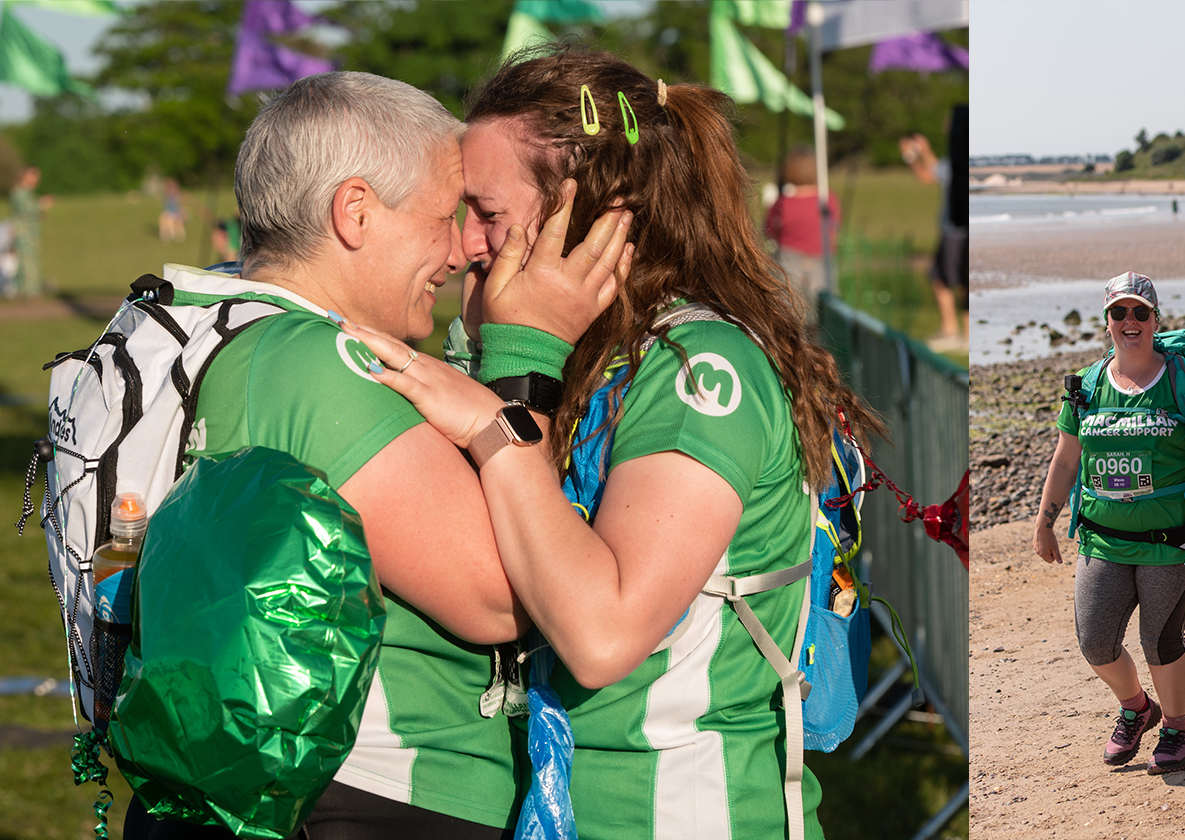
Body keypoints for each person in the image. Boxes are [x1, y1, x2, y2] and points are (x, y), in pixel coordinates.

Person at [347, 47, 872, 838]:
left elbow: (602, 634)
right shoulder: (576, 350)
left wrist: (510, 399)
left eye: (488, 212)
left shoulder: (699, 369)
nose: (465, 245)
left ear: (599, 205)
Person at [118, 70, 554, 840]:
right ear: (355, 212)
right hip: (375, 797)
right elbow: (512, 594)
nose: (460, 251)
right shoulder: (317, 364)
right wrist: (528, 359)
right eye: (442, 216)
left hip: (241, 788)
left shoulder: (214, 320)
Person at [1034, 273, 1185, 775]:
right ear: (1107, 320)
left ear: (1156, 320)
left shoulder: (1184, 381)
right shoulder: (1086, 386)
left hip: (1173, 540)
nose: (1130, 322)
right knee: (1094, 640)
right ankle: (1138, 708)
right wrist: (1045, 521)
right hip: (1103, 538)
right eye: (1120, 313)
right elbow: (1066, 458)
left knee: (1160, 641)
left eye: (1141, 312)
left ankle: (1177, 730)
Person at [762, 147, 838, 304]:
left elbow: (768, 230)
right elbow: (833, 231)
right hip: (821, 260)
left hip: (789, 261)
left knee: (790, 307)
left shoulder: (782, 202)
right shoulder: (827, 199)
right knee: (824, 309)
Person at [9, 167, 49, 298]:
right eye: (33, 176)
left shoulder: (27, 193)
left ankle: (23, 291)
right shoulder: (19, 192)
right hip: (24, 233)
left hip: (30, 233)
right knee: (28, 263)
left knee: (28, 261)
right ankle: (30, 292)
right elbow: (27, 209)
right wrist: (41, 204)